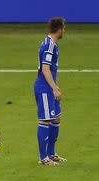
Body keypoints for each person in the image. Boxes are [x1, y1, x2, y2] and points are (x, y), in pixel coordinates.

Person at [33, 17, 67, 165]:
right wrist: (54, 88)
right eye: (64, 28)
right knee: (45, 120)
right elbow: (45, 69)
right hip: (45, 88)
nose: (64, 31)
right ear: (59, 29)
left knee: (56, 118)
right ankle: (43, 158)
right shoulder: (49, 46)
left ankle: (51, 153)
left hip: (50, 86)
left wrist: (55, 86)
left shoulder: (51, 43)